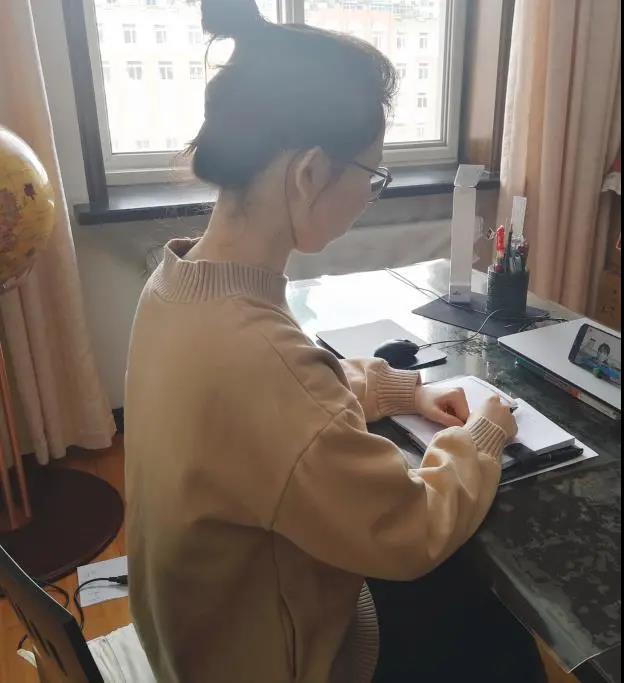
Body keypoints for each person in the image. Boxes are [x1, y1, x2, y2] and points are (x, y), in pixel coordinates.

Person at [124, 1, 545, 681]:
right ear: (310, 174)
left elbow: (284, 405)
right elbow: (411, 528)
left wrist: (400, 390)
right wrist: (485, 434)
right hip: (280, 661)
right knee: (500, 635)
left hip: (202, 636)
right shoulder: (259, 360)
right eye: (371, 176)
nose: (370, 195)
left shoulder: (175, 285)